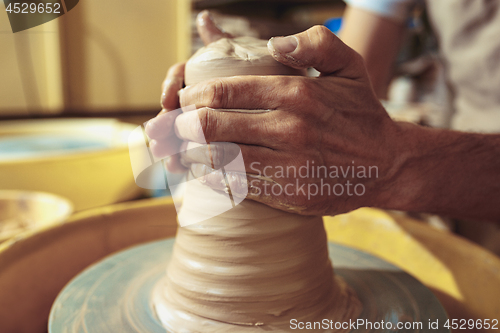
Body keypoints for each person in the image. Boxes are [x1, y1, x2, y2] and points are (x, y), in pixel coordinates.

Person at [146, 11, 500, 223]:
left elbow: (368, 149)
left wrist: (392, 163)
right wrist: (251, 75)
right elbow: (347, 88)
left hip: (471, 181)